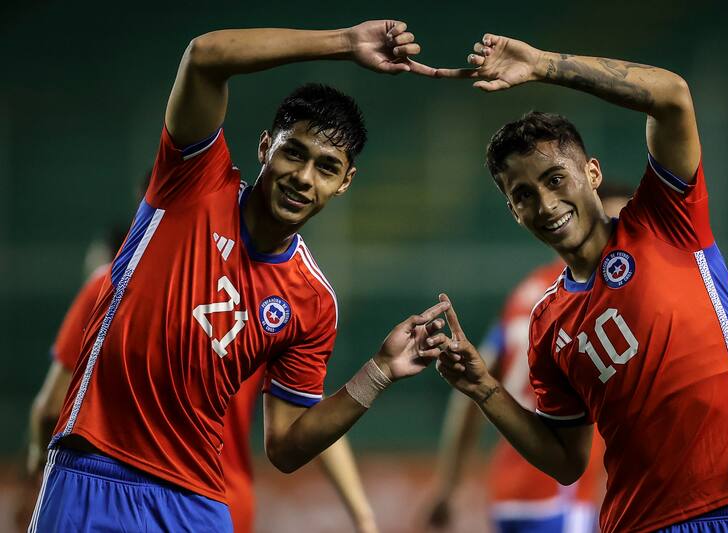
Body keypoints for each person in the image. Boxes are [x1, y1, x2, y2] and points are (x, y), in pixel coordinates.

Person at [29, 20, 449, 532]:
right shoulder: (195, 180)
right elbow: (205, 55)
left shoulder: (313, 301)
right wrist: (343, 43)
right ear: (265, 146)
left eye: (326, 167)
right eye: (293, 152)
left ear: (344, 183)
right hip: (93, 467)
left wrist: (377, 373)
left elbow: (287, 447)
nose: (303, 177)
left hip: (196, 502)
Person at [431, 33, 728, 532]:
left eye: (556, 179)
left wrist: (543, 64)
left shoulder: (665, 219)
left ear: (592, 172)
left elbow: (671, 96)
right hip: (634, 522)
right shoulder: (547, 323)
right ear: (514, 212)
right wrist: (481, 387)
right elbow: (565, 460)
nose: (546, 204)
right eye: (523, 195)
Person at [26, 242, 379, 533]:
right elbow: (305, 415)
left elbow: (51, 408)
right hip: (219, 500)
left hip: (114, 483)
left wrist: (41, 468)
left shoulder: (112, 280)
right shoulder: (260, 302)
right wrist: (361, 512)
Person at [425, 188, 628, 533]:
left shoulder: (527, 293)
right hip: (560, 494)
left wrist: (448, 484)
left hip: (509, 493)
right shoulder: (596, 297)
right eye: (616, 226)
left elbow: (471, 390)